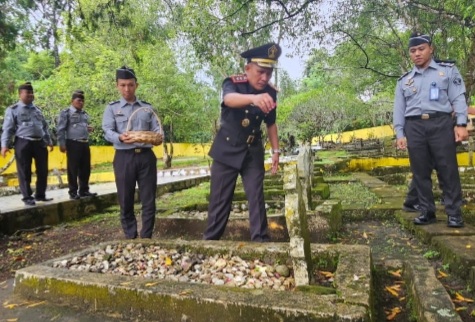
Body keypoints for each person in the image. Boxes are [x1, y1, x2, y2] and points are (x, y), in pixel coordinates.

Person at [204, 42, 281, 242]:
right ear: (247, 68)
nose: (264, 78)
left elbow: (271, 124)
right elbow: (229, 99)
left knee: (256, 196)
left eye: (269, 73)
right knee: (220, 200)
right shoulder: (233, 83)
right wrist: (253, 99)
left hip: (252, 151)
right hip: (226, 149)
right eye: (260, 72)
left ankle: (261, 241)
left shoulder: (270, 92)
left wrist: (276, 151)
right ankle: (210, 242)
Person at [393, 32, 468, 227]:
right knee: (420, 171)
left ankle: (454, 213)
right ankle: (427, 211)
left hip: (441, 123)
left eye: (421, 49)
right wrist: (400, 133)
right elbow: (399, 109)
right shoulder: (404, 80)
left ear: (430, 49)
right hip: (414, 126)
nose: (417, 53)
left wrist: (461, 124)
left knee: (447, 168)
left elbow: (458, 97)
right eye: (413, 50)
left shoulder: (448, 71)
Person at [102, 66, 163, 239]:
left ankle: (146, 236)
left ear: (137, 85)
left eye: (130, 85)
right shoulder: (112, 109)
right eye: (122, 85)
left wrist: (159, 137)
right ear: (117, 86)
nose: (126, 89)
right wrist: (120, 137)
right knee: (125, 198)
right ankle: (130, 235)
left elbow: (157, 129)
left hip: (146, 157)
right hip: (123, 157)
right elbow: (107, 130)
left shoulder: (147, 108)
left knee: (149, 199)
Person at [1, 82, 54, 206]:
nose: (30, 95)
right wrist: (4, 145)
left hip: (39, 143)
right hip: (23, 142)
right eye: (27, 93)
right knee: (24, 170)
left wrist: (49, 141)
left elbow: (44, 127)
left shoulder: (37, 110)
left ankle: (40, 195)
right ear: (20, 94)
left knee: (43, 170)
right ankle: (27, 197)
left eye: (31, 92)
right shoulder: (13, 110)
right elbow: (8, 129)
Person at [56, 90, 97, 200]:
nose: (81, 102)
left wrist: (89, 129)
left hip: (84, 143)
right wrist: (62, 143)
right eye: (79, 100)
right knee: (73, 168)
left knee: (85, 168)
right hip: (73, 143)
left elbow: (82, 126)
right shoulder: (66, 113)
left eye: (83, 101)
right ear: (72, 101)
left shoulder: (84, 114)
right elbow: (61, 129)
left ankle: (84, 190)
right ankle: (73, 191)